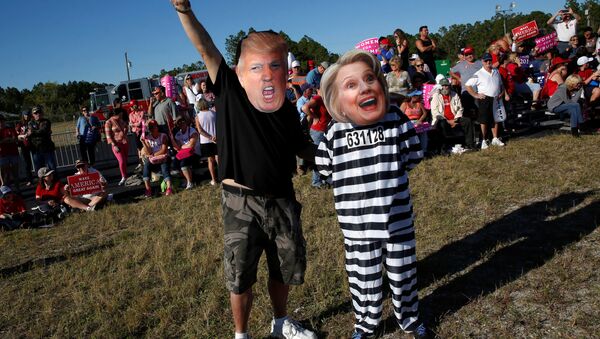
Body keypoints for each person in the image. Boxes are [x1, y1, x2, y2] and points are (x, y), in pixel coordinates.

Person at [171, 1, 317, 338]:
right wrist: (184, 11)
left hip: (282, 198)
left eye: (274, 64)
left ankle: (281, 324)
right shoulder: (230, 90)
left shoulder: (282, 105)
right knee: (240, 274)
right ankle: (242, 334)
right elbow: (205, 47)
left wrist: (336, 156)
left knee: (284, 267)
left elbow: (302, 147)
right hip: (241, 201)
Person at [314, 49, 427, 339]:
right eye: (351, 85)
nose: (364, 87)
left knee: (404, 276)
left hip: (396, 219)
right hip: (357, 227)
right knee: (364, 280)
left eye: (369, 78)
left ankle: (410, 319)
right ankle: (366, 324)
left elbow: (413, 153)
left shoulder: (395, 119)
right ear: (337, 100)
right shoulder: (334, 133)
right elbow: (323, 169)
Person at [465, 53, 507, 149]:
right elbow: (468, 85)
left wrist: (502, 93)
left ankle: (495, 138)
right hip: (485, 99)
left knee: (496, 119)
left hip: (496, 98)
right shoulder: (478, 74)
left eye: (489, 60)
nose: (488, 62)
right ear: (482, 62)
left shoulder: (496, 71)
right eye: (486, 61)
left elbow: (501, 84)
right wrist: (476, 95)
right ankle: (483, 140)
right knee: (484, 120)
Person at [430, 78, 475, 151]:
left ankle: (469, 145)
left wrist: (456, 119)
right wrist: (448, 121)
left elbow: (460, 108)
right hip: (443, 119)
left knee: (467, 121)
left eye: (447, 85)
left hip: (455, 118)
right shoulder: (436, 96)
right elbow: (435, 112)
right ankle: (444, 148)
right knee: (442, 124)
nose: (445, 87)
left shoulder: (454, 94)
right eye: (443, 86)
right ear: (440, 87)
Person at [301, 88, 332, 188]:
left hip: (323, 130)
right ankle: (316, 181)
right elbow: (305, 107)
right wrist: (314, 117)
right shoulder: (318, 98)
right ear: (319, 89)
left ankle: (323, 179)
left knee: (324, 156)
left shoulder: (325, 98)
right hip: (318, 131)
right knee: (319, 156)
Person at [141, 119, 173, 197]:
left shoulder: (163, 136)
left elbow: (164, 150)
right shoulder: (148, 138)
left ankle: (169, 188)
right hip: (154, 159)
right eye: (150, 127)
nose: (152, 129)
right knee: (146, 165)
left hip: (163, 157)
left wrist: (153, 155)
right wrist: (143, 142)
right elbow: (148, 152)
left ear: (157, 127)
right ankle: (148, 189)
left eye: (153, 127)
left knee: (164, 165)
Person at [450, 47, 483, 119]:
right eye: (467, 55)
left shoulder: (480, 63)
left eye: (470, 54)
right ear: (464, 56)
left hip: (478, 91)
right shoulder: (461, 64)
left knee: (480, 112)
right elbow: (451, 72)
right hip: (466, 92)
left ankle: (480, 128)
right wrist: (459, 78)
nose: (469, 56)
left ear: (473, 54)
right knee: (467, 113)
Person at [194, 99, 218, 186]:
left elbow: (200, 130)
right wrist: (214, 137)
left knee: (210, 161)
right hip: (216, 139)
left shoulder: (198, 116)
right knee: (218, 158)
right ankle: (224, 177)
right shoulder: (214, 113)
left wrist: (210, 137)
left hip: (206, 141)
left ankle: (214, 180)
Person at [173, 117, 201, 189]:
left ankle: (190, 182)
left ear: (186, 122)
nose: (181, 124)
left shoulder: (192, 130)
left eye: (183, 122)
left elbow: (192, 145)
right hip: (184, 153)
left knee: (183, 163)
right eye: (179, 123)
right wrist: (174, 141)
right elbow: (177, 147)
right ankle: (187, 179)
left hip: (195, 153)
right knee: (175, 163)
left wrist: (181, 146)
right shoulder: (178, 134)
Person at [27, 106, 56, 172]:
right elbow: (31, 132)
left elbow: (43, 131)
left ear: (42, 113)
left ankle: (55, 181)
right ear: (33, 115)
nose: (38, 114)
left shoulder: (46, 121)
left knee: (52, 167)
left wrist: (33, 132)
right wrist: (35, 132)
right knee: (39, 170)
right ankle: (41, 182)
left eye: (39, 112)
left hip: (47, 148)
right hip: (36, 149)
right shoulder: (30, 123)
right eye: (35, 113)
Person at [104, 108, 129, 185]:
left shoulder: (121, 120)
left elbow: (126, 126)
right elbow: (108, 135)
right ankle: (123, 176)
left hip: (124, 143)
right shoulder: (108, 122)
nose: (121, 115)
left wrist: (125, 133)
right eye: (120, 114)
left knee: (125, 160)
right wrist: (114, 145)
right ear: (115, 115)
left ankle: (126, 176)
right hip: (116, 144)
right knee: (121, 161)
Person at [0, 114, 20, 191]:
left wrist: (4, 140)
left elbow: (15, 138)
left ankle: (18, 190)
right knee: (5, 174)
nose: (1, 123)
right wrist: (7, 140)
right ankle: (7, 191)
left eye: (2, 121)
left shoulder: (10, 128)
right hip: (3, 155)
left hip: (13, 153)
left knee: (15, 173)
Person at [16, 111, 34, 186]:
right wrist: (22, 136)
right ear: (23, 116)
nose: (26, 116)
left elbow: (32, 131)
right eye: (25, 115)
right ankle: (29, 179)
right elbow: (16, 133)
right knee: (27, 163)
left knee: (36, 161)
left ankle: (41, 177)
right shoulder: (20, 124)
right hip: (24, 145)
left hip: (33, 144)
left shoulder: (31, 122)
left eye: (27, 115)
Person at [129, 100, 147, 171]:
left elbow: (140, 123)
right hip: (135, 132)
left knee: (143, 146)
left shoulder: (142, 112)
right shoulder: (130, 114)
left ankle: (145, 160)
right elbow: (130, 123)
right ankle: (140, 162)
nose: (131, 108)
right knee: (138, 148)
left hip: (142, 131)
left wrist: (133, 124)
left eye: (132, 106)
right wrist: (134, 124)